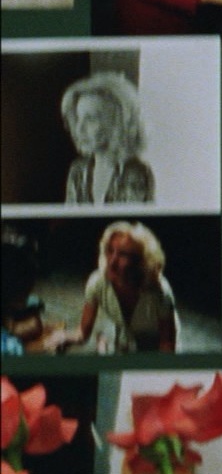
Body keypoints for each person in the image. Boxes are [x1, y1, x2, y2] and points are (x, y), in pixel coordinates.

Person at [76, 220, 177, 354]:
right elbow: (83, 333)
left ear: (142, 261)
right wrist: (62, 338)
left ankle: (104, 340)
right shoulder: (97, 281)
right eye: (110, 250)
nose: (112, 261)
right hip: (122, 339)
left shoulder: (160, 291)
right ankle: (104, 340)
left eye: (123, 254)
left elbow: (167, 343)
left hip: (152, 344)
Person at [61, 72, 154, 204]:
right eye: (78, 118)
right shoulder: (78, 170)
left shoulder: (137, 172)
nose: (79, 128)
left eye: (91, 119)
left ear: (118, 123)